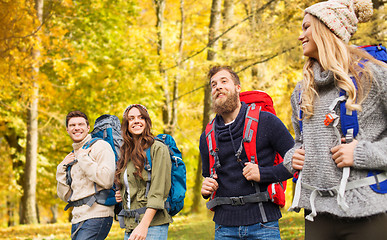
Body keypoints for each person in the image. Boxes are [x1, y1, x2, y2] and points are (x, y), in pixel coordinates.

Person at [283, 0, 387, 239]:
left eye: (307, 27)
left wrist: (361, 153)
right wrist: (293, 157)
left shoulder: (375, 76)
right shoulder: (302, 91)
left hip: (369, 213)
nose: (301, 36)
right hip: (317, 215)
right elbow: (299, 142)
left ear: (328, 29)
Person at [199, 66, 294, 239]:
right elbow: (208, 176)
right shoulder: (207, 135)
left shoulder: (266, 121)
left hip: (263, 225)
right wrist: (206, 188)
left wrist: (264, 173)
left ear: (238, 87)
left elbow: (296, 160)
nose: (218, 87)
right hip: (224, 228)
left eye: (224, 81)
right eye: (213, 85)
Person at [115, 104, 172, 240]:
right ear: (126, 124)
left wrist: (143, 226)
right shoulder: (126, 152)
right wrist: (122, 193)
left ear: (147, 122)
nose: (136, 121)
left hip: (151, 226)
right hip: (130, 225)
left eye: (141, 117)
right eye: (131, 118)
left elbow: (158, 191)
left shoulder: (158, 149)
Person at [56, 110, 116, 239]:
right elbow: (65, 196)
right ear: (67, 129)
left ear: (88, 128)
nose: (77, 128)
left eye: (80, 124)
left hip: (98, 215)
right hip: (77, 217)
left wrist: (84, 159)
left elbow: (107, 180)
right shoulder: (72, 156)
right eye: (72, 125)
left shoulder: (100, 146)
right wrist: (61, 169)